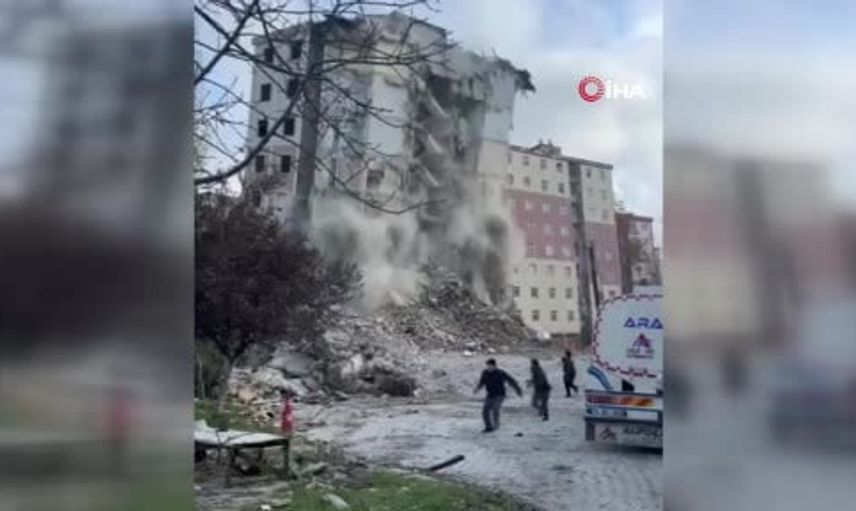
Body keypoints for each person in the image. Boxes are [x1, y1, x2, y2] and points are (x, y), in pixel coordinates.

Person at [474, 358, 522, 433]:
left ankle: (496, 425)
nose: (489, 367)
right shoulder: (485, 373)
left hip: (499, 395)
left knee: (495, 408)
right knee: (485, 411)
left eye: (490, 366)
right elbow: (481, 382)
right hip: (490, 395)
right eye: (488, 366)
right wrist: (477, 389)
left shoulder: (500, 373)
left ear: (494, 366)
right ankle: (488, 427)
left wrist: (518, 390)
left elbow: (511, 380)